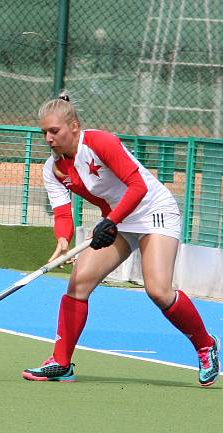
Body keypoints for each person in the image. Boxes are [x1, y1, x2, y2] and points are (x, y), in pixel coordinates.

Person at [23, 93, 219, 386]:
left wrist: (110, 222)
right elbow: (62, 213)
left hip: (154, 211)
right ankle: (61, 362)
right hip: (118, 220)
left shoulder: (101, 142)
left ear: (73, 126)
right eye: (44, 133)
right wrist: (63, 241)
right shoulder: (53, 168)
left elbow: (138, 185)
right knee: (79, 283)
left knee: (158, 290)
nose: (48, 138)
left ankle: (206, 345)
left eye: (54, 131)